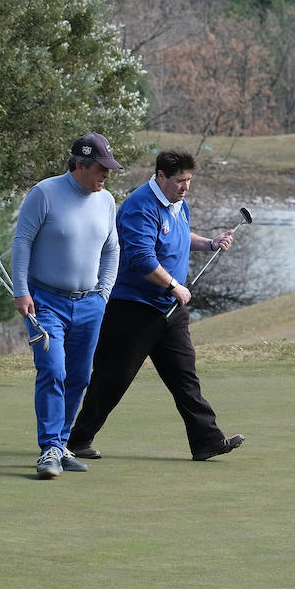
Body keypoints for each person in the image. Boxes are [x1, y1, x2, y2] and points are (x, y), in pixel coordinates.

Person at [68, 148, 245, 462]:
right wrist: (175, 285)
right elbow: (141, 258)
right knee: (113, 377)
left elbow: (177, 234)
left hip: (169, 311)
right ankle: (77, 440)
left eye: (189, 180)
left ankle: (206, 440)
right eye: (180, 180)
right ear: (160, 176)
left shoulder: (178, 204)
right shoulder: (140, 206)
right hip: (133, 308)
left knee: (184, 376)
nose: (185, 187)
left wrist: (209, 243)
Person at [12, 132, 123, 479]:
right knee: (53, 370)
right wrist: (20, 290)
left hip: (89, 304)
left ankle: (61, 445)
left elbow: (112, 249)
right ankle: (49, 450)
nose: (105, 176)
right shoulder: (44, 193)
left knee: (77, 376)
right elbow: (22, 241)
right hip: (45, 301)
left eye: (108, 170)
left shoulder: (106, 201)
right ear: (79, 165)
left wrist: (103, 293)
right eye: (100, 169)